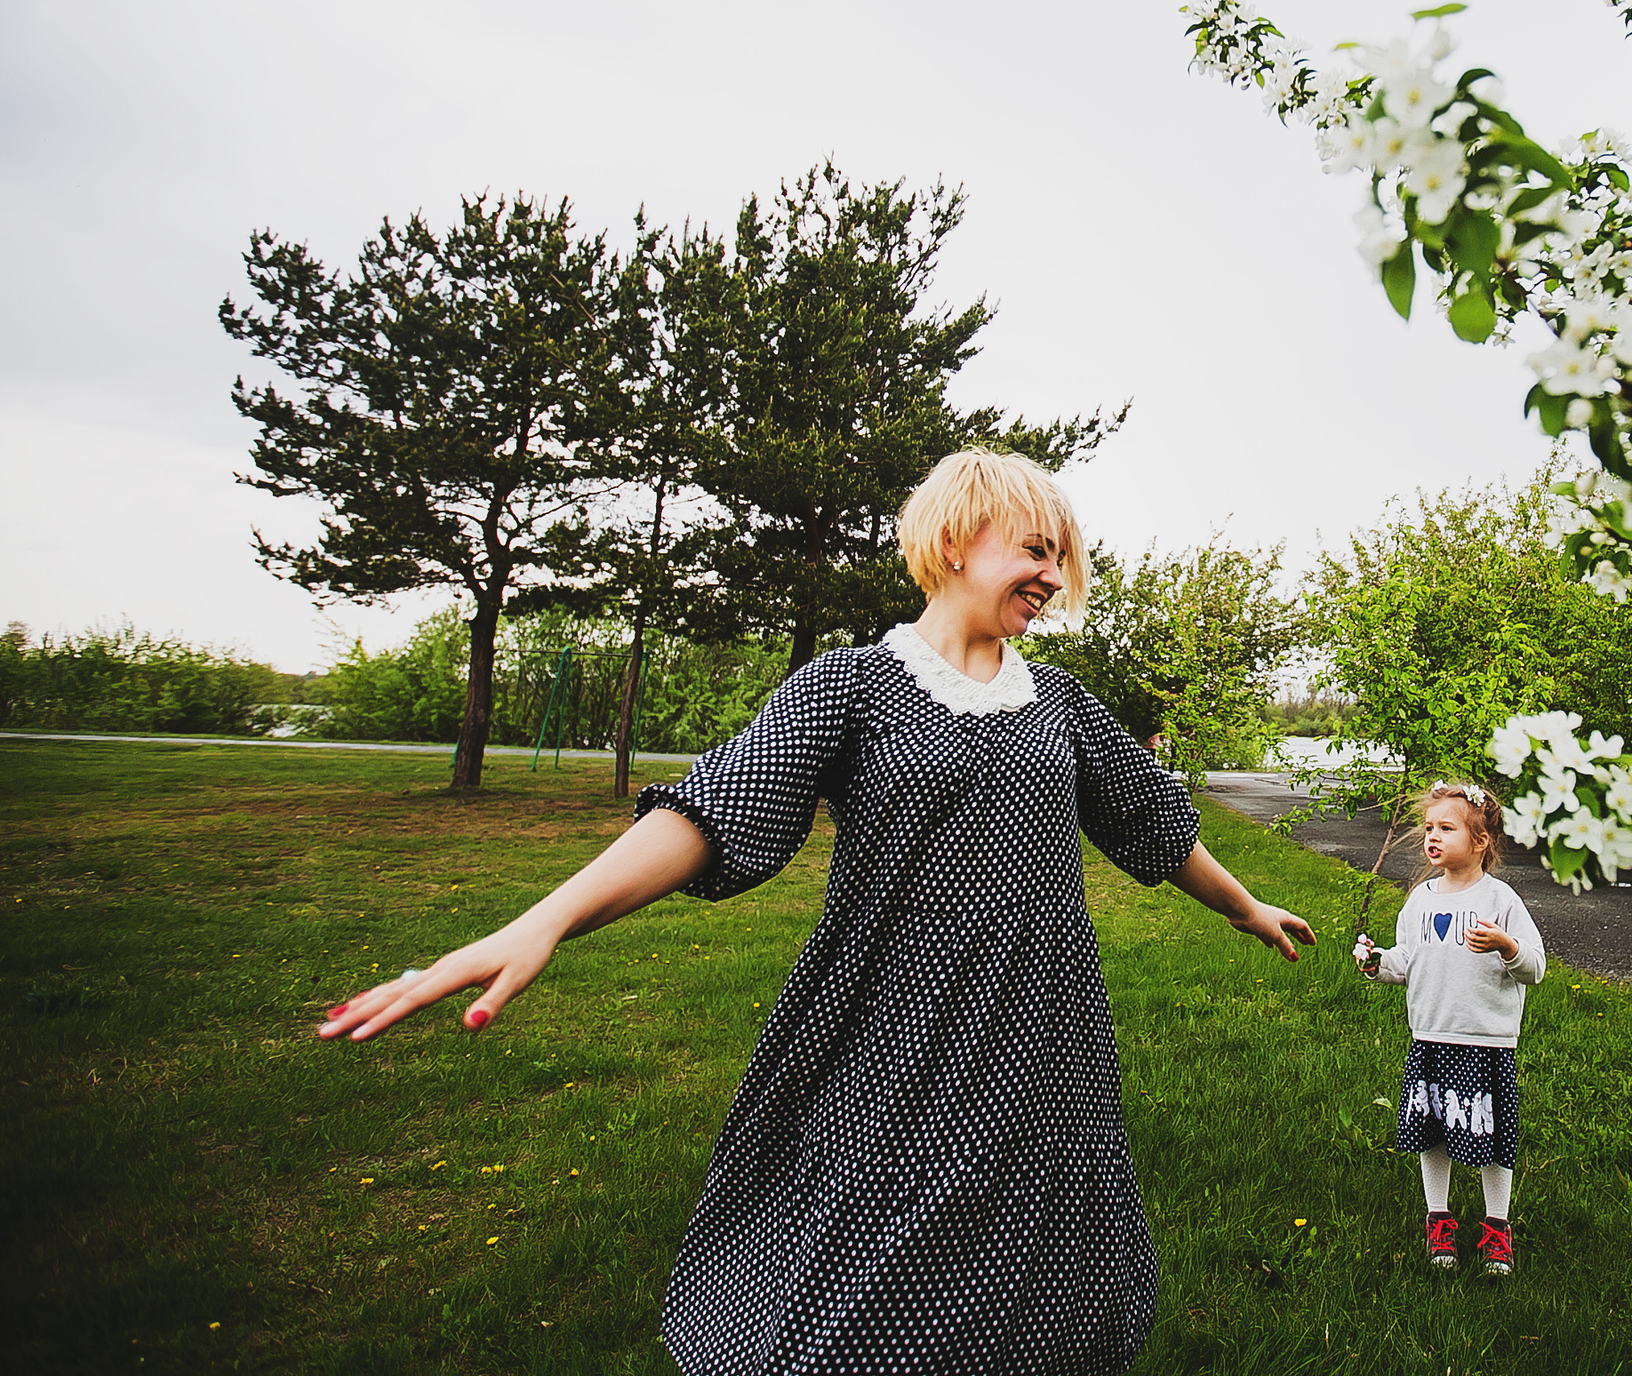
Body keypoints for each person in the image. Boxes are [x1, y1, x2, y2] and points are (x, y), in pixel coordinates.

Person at [317, 448, 1315, 1375]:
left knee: (1033, 1238)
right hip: (898, 1015)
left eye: (1059, 556)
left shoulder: (1059, 699)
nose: (1052, 575)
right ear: (957, 537)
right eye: (1035, 549)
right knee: (871, 1237)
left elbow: (1148, 820)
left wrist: (1242, 906)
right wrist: (544, 919)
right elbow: (714, 810)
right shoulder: (854, 683)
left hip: (1041, 1018)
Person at [1353, 779, 1546, 1277]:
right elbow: (1406, 962)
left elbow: (1535, 967)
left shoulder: (1500, 900)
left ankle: (1496, 1229)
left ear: (1480, 841)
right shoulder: (1420, 900)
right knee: (1432, 1133)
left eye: (1446, 828)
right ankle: (1438, 1219)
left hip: (1484, 1041)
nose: (1432, 837)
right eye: (1428, 828)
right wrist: (1376, 963)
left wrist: (1507, 946)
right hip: (1432, 1038)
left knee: (1493, 1137)